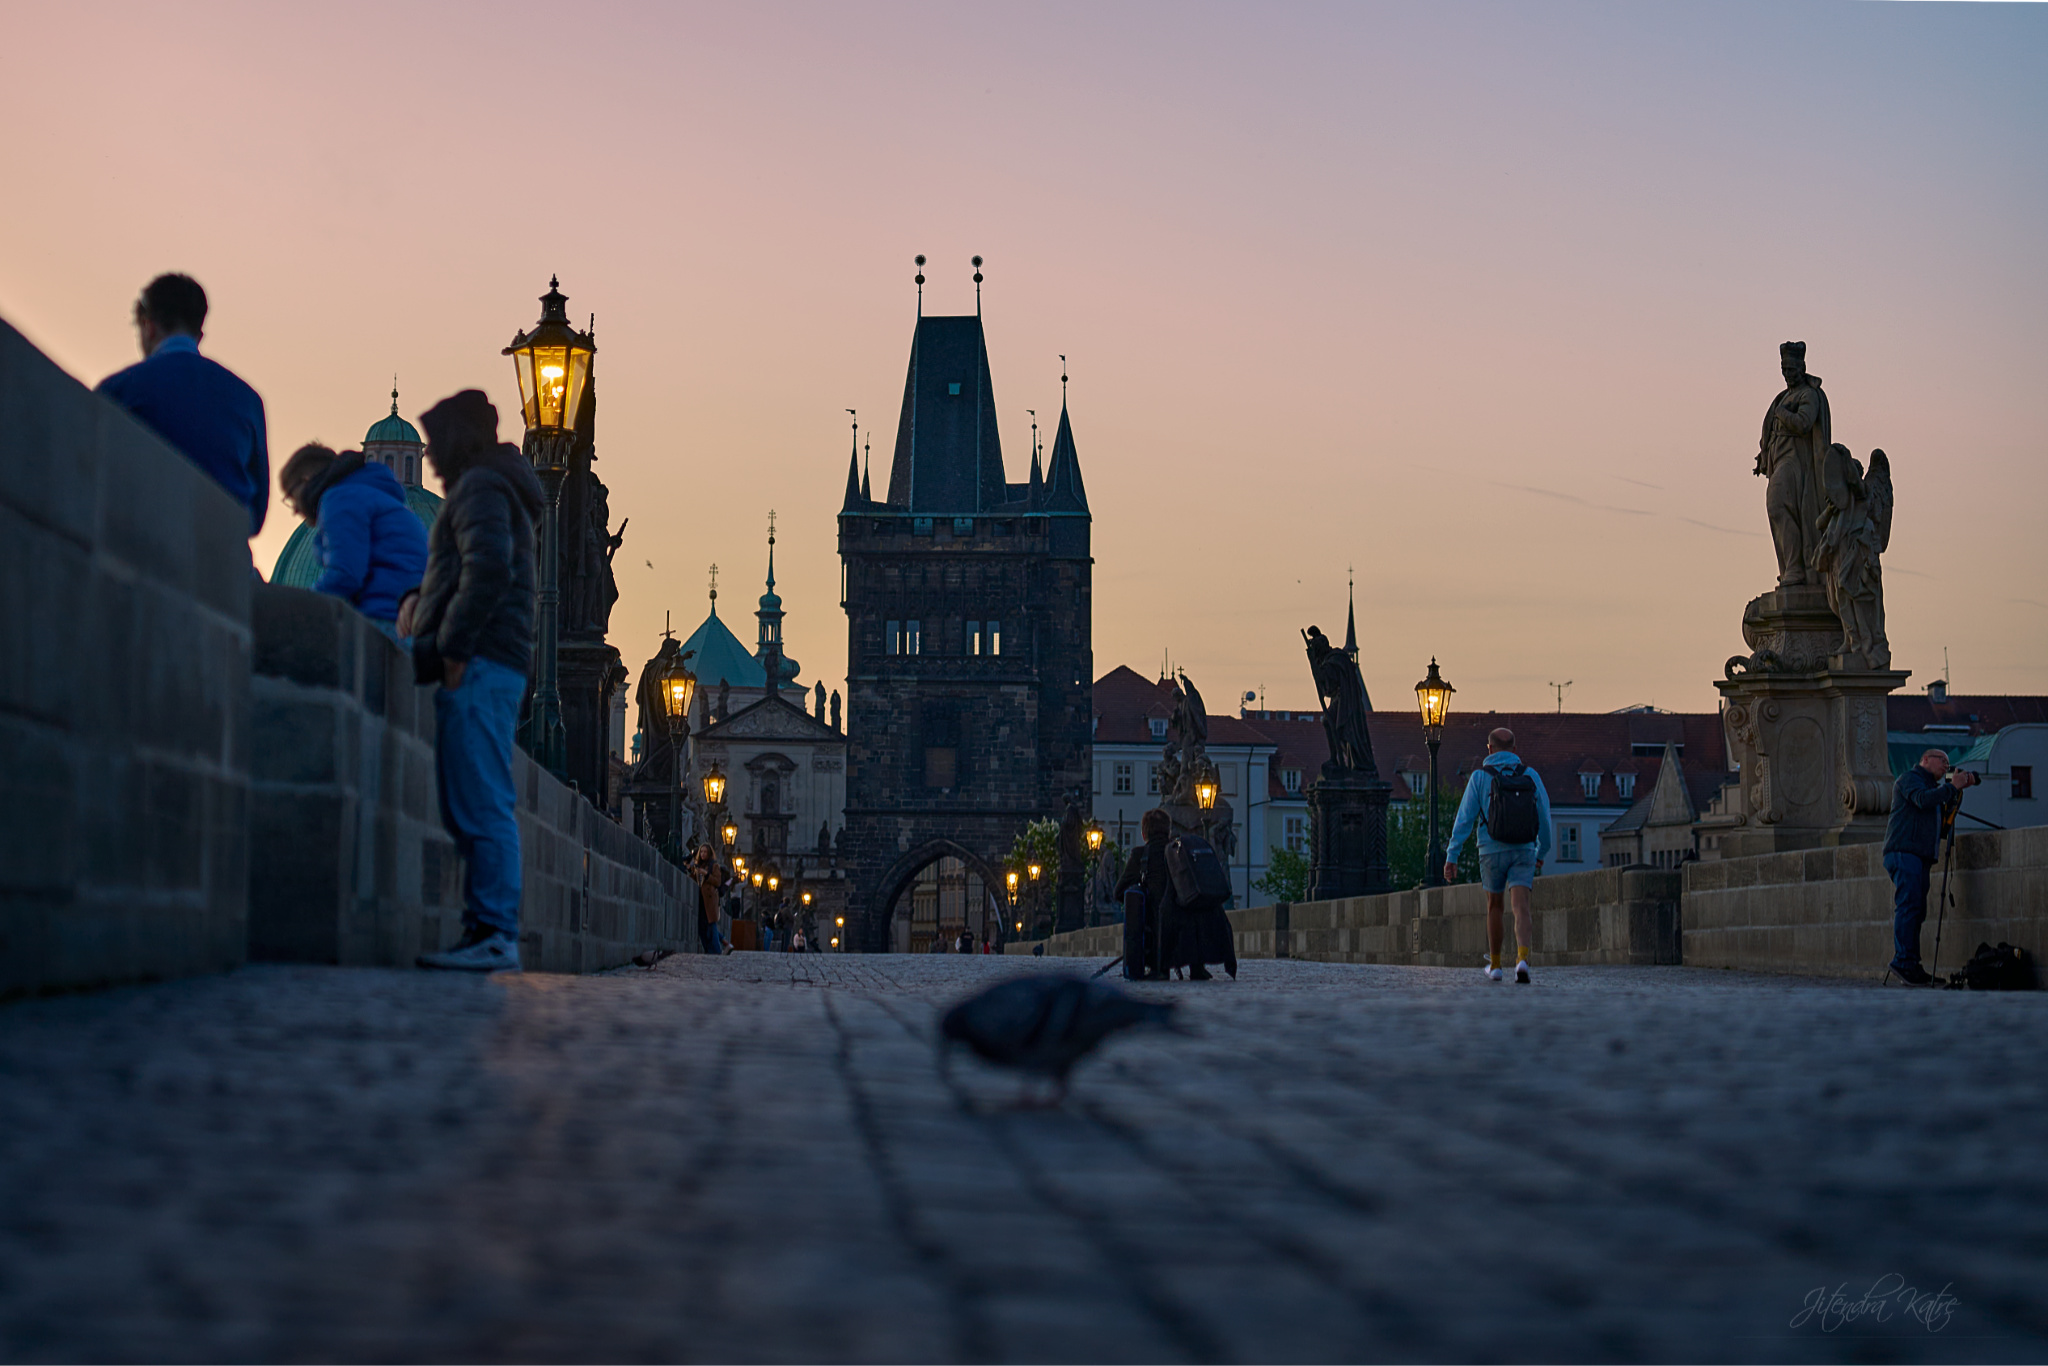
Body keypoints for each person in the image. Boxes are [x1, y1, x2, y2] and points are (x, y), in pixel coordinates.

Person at [407, 391, 543, 973]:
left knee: (483, 801)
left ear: (459, 441)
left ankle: (494, 932)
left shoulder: (481, 488)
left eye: (437, 442)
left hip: (481, 662)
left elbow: (487, 567)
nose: (431, 458)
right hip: (494, 660)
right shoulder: (494, 486)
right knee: (473, 800)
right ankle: (483, 928)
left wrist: (454, 646)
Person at [97, 273, 269, 537]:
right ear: (199, 334)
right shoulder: (248, 400)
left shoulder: (120, 388)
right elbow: (256, 515)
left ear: (149, 326)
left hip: (142, 538)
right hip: (223, 550)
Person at [277, 443, 429, 636]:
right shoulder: (375, 498)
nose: (295, 510)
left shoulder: (340, 498)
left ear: (306, 480)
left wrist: (301, 607)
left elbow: (346, 575)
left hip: (383, 620)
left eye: (291, 496)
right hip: (410, 621)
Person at [1443, 727, 1553, 984]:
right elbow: (1545, 818)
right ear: (1515, 750)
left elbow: (1464, 819)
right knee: (1521, 907)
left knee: (1494, 906)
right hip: (1524, 848)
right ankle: (1522, 960)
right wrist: (1541, 850)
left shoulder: (1480, 777)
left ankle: (1495, 966)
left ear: (1489, 748)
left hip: (1490, 851)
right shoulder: (1531, 775)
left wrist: (1452, 855)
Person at [1884, 749, 1976, 985]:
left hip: (1919, 855)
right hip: (1905, 851)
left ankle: (1911, 964)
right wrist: (1952, 787)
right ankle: (1903, 962)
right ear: (1925, 759)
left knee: (1917, 909)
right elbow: (1922, 800)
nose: (1946, 766)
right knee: (1908, 906)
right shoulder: (1909, 779)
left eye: (1948, 762)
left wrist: (1961, 783)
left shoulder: (1935, 788)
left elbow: (1938, 808)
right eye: (1942, 760)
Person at [687, 845, 731, 955]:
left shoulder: (714, 866)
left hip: (710, 899)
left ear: (709, 853)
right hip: (701, 899)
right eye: (701, 852)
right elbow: (694, 879)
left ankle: (716, 951)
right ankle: (710, 948)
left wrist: (706, 874)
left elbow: (717, 881)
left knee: (711, 925)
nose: (702, 854)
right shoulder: (697, 866)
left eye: (705, 852)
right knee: (702, 927)